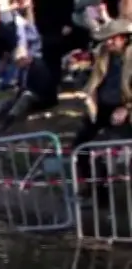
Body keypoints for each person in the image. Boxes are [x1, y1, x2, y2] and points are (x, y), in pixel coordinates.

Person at [73, 19, 132, 201]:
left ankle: (112, 197)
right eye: (106, 39)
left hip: (125, 111)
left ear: (124, 38)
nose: (108, 42)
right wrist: (89, 96)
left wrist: (127, 108)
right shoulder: (103, 54)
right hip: (102, 109)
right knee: (80, 146)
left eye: (112, 39)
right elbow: (94, 80)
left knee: (106, 150)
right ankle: (96, 190)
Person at [0, 0, 57, 132]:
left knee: (26, 96)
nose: (18, 64)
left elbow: (42, 88)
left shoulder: (38, 67)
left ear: (26, 58)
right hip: (26, 95)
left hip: (42, 98)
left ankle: (7, 122)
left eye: (19, 61)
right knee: (9, 99)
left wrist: (24, 91)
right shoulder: (22, 69)